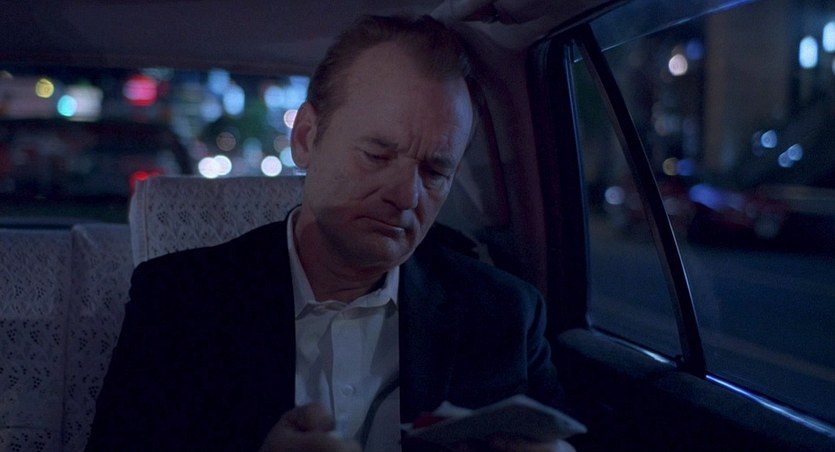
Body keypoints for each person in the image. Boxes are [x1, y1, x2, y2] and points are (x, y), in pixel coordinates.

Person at [86, 14, 574, 452]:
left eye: (434, 172)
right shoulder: (180, 301)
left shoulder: (504, 316)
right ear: (305, 138)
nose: (405, 195)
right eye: (377, 155)